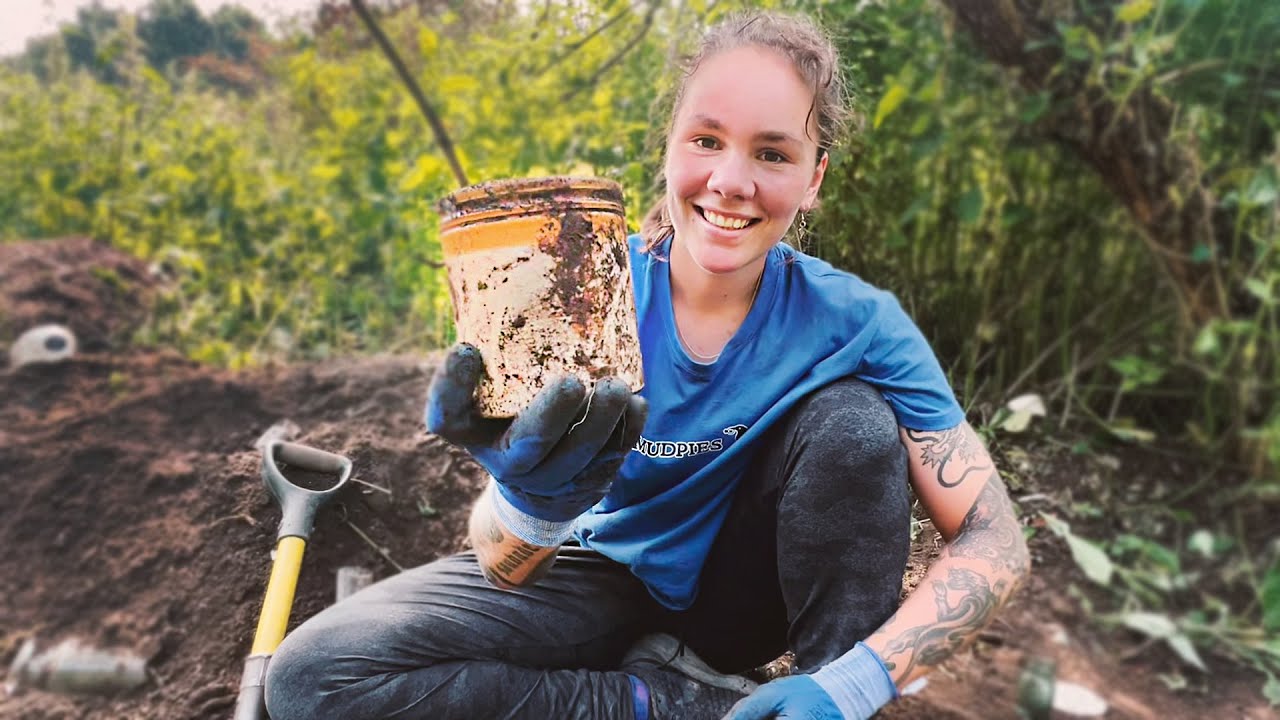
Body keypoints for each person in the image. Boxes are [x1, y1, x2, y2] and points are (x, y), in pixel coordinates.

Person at [264, 10, 1030, 720]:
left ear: (814, 176)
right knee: (312, 677)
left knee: (856, 428)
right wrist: (532, 503)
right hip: (591, 579)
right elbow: (502, 561)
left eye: (771, 152)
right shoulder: (579, 299)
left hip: (735, 604)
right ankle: (661, 702)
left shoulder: (858, 322)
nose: (732, 181)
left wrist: (852, 685)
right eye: (707, 140)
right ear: (670, 144)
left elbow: (996, 539)